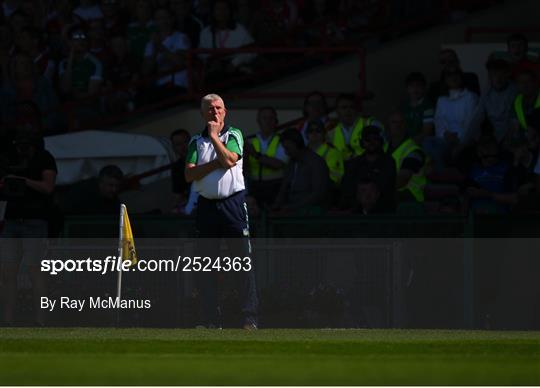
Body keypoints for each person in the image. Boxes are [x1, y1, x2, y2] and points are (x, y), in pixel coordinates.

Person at [184, 93, 258, 330]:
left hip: (233, 205)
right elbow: (189, 174)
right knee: (207, 266)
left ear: (225, 111)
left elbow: (230, 160)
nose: (215, 112)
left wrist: (215, 137)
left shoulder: (233, 134)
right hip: (206, 207)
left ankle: (249, 317)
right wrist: (216, 161)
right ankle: (210, 319)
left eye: (218, 108)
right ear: (202, 113)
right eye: (210, 108)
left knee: (242, 263)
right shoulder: (196, 141)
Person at [0, 129, 57, 326]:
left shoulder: (45, 158)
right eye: (19, 145)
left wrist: (24, 181)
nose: (22, 149)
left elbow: (48, 187)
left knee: (36, 273)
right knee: (7, 273)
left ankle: (40, 321)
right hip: (12, 220)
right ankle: (7, 321)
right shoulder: (9, 158)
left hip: (35, 221)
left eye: (26, 145)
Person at [273, 128, 329, 214]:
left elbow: (318, 194)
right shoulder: (292, 163)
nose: (286, 152)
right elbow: (284, 188)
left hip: (310, 213)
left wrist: (292, 207)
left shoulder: (316, 162)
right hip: (293, 210)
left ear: (296, 144)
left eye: (287, 148)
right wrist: (277, 205)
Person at [340, 125, 396, 212]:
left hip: (383, 211)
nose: (371, 142)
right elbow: (347, 189)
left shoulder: (388, 162)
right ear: (362, 142)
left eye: (375, 139)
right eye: (367, 140)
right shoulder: (354, 164)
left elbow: (387, 189)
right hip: (356, 211)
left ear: (380, 141)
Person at [198, 0, 256, 76]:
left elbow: (252, 51)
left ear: (230, 11)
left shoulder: (240, 29)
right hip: (215, 73)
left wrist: (235, 62)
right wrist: (211, 61)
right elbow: (201, 53)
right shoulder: (205, 32)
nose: (221, 12)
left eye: (225, 8)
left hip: (237, 71)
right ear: (213, 12)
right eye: (218, 9)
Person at [245, 106, 288, 207]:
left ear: (276, 121)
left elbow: (278, 164)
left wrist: (255, 154)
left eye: (271, 118)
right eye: (264, 118)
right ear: (258, 121)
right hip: (254, 186)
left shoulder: (282, 140)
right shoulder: (250, 140)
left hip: (277, 186)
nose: (268, 121)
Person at [142, 7, 190, 92]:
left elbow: (181, 62)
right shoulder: (151, 43)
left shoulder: (181, 37)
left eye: (165, 17)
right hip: (160, 84)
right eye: (158, 18)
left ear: (172, 19)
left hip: (179, 84)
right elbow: (146, 70)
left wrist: (160, 47)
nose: (162, 21)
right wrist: (155, 49)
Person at [470, 59, 517, 143]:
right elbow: (476, 118)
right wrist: (463, 142)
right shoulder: (487, 92)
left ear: (507, 74)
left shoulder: (515, 91)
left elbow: (513, 122)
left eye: (502, 74)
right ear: (490, 76)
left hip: (511, 136)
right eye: (494, 74)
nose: (498, 78)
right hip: (492, 137)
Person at [386, 110, 427, 204]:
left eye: (401, 122)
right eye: (394, 122)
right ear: (388, 126)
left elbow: (402, 180)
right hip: (395, 194)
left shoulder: (414, 151)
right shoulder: (384, 148)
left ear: (406, 125)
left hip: (412, 198)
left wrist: (378, 190)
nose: (398, 125)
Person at [328, 93, 383, 160]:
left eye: (351, 107)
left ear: (357, 109)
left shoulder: (371, 124)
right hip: (342, 168)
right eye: (344, 107)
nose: (348, 111)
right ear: (337, 111)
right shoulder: (331, 132)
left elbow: (383, 148)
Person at [306, 119, 344, 186]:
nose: (314, 133)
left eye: (318, 131)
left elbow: (335, 178)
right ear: (306, 134)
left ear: (324, 134)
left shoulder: (333, 152)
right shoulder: (302, 152)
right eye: (311, 131)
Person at [402, 72, 435, 143]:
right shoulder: (403, 106)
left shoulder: (427, 106)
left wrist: (408, 143)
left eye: (419, 86)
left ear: (424, 88)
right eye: (412, 86)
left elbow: (426, 133)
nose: (415, 89)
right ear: (407, 88)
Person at [511, 70, 540, 135]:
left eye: (529, 81)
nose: (525, 84)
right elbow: (515, 126)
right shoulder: (517, 101)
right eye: (521, 82)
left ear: (535, 83)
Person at [169, 128, 191, 212]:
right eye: (178, 144)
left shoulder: (205, 159)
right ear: (174, 148)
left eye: (185, 142)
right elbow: (178, 194)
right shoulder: (177, 167)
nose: (183, 147)